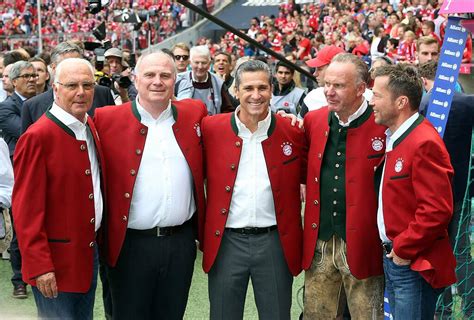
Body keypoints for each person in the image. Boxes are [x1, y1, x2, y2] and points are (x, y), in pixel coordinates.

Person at [93, 49, 207, 320]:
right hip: (129, 245)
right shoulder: (106, 119)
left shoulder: (194, 113)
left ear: (175, 80)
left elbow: (231, 122)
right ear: (135, 78)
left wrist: (285, 118)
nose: (158, 81)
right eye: (150, 75)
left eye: (165, 75)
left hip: (180, 244)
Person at [202, 59, 306, 320]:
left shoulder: (294, 130)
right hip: (227, 241)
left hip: (275, 241)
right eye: (248, 88)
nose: (256, 95)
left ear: (272, 89)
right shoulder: (211, 128)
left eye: (262, 87)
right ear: (235, 91)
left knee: (277, 315)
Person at [12, 58, 104, 319]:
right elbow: (26, 211)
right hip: (55, 262)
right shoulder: (37, 136)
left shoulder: (89, 126)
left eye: (87, 85)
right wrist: (41, 266)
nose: (81, 92)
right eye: (72, 85)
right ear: (55, 88)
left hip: (87, 253)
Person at [303, 53, 385, 319]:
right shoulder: (313, 120)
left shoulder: (383, 122)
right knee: (317, 314)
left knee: (366, 315)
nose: (329, 91)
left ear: (362, 88)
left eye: (338, 85)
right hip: (321, 240)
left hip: (364, 241)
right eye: (327, 84)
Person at [371, 64, 456, 319]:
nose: (371, 101)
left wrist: (402, 249)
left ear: (401, 102)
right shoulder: (397, 137)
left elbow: (437, 210)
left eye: (376, 95)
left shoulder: (423, 142)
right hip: (398, 259)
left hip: (412, 263)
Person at [418, 61, 474, 319]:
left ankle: (442, 309)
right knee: (459, 251)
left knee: (437, 254)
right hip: (461, 192)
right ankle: (470, 304)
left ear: (427, 81)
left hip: (430, 196)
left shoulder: (422, 105)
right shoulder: (467, 103)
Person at [21, 41, 115, 134]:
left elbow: (114, 133)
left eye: (78, 64)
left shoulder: (103, 94)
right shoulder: (32, 107)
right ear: (54, 69)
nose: (74, 70)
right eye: (68, 66)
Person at [175, 45, 234, 115]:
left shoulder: (218, 83)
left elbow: (228, 111)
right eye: (196, 63)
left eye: (204, 63)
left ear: (209, 64)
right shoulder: (178, 80)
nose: (200, 67)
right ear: (190, 63)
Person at [0, 61, 37, 158]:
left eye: (34, 75)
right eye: (26, 76)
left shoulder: (42, 102)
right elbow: (24, 133)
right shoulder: (5, 107)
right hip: (21, 159)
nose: (32, 79)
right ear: (14, 81)